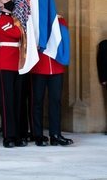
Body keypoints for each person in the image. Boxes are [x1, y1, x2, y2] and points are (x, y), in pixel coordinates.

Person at [30, 14, 73, 146]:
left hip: (56, 66)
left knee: (55, 101)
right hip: (39, 66)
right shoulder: (34, 20)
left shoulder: (60, 20)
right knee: (37, 101)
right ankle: (37, 135)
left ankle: (55, 134)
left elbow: (64, 39)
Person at [0, 0, 27, 148]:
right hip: (5, 62)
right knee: (7, 100)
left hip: (17, 62)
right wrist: (18, 27)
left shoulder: (15, 19)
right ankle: (9, 136)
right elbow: (15, 34)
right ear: (0, 4)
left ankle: (19, 134)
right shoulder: (0, 20)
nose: (9, 1)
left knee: (18, 99)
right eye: (6, 0)